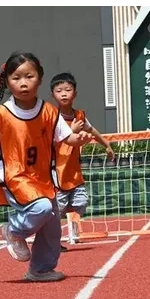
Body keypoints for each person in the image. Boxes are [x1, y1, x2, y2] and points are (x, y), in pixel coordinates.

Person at [0, 52, 90, 282]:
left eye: (29, 77)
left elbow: (66, 137)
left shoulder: (49, 112)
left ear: (39, 78)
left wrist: (78, 139)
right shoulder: (2, 114)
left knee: (52, 226)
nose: (23, 83)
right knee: (42, 208)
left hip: (42, 178)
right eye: (16, 78)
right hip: (14, 176)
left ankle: (40, 269)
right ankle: (13, 229)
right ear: (7, 82)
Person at [50, 72, 114, 250]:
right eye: (59, 91)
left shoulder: (79, 116)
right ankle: (52, 240)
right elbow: (48, 141)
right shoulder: (52, 116)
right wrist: (71, 131)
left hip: (74, 172)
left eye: (67, 90)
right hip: (57, 172)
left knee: (81, 203)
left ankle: (64, 228)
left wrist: (106, 144)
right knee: (57, 210)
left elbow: (92, 130)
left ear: (75, 93)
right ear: (52, 95)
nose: (64, 94)